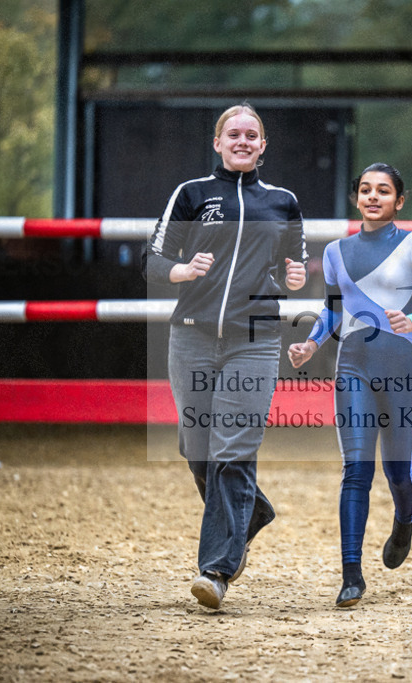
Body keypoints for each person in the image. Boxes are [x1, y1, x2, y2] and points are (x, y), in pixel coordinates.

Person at [141, 103, 307, 610]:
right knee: (198, 450)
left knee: (232, 450)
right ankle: (250, 512)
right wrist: (182, 271)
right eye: (232, 134)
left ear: (263, 146)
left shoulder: (283, 202)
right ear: (217, 143)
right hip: (190, 337)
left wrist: (296, 278)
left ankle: (215, 571)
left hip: (254, 342)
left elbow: (290, 267)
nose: (241, 141)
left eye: (251, 135)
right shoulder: (191, 195)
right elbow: (152, 262)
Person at [287, 163, 412, 608]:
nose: (373, 197)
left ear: (399, 201)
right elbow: (332, 311)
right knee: (356, 469)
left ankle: (405, 517)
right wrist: (310, 343)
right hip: (353, 367)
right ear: (356, 198)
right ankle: (351, 574)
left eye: (384, 191)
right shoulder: (335, 252)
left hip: (402, 366)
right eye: (365, 190)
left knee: (398, 471)